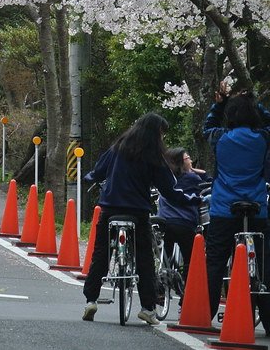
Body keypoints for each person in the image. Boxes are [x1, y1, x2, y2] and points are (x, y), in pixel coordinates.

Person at [82, 112, 202, 326]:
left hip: (110, 209)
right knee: (144, 258)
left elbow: (98, 172)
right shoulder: (154, 156)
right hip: (137, 212)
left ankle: (91, 300)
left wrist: (88, 178)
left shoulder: (118, 147)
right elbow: (169, 189)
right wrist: (191, 198)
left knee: (101, 253)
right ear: (156, 134)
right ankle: (147, 308)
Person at [203, 84, 270, 328]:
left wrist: (221, 103)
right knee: (264, 264)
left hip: (223, 207)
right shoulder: (262, 138)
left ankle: (206, 313)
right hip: (256, 207)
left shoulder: (220, 137)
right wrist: (254, 102)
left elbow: (207, 126)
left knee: (215, 262)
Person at [156, 147, 205, 286]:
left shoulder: (166, 179)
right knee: (190, 258)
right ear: (180, 162)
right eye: (188, 158)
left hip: (164, 221)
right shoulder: (192, 178)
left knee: (165, 254)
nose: (191, 160)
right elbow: (207, 183)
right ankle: (186, 293)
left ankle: (160, 286)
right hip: (184, 223)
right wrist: (201, 173)